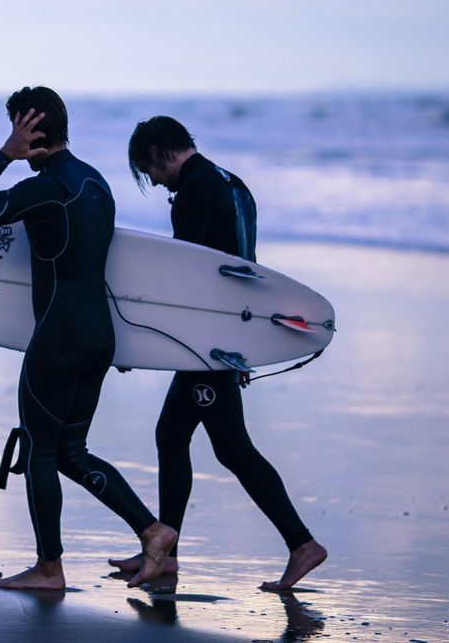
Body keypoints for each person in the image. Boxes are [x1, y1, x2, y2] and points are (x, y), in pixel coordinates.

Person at [0, 87, 177, 591]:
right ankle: (153, 530)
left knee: (41, 452)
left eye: (16, 128)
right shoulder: (96, 183)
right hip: (99, 334)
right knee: (72, 451)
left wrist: (4, 157)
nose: (11, 137)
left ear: (29, 131)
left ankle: (49, 569)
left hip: (58, 336)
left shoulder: (47, 186)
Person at [107, 116, 327, 591]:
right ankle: (165, 553)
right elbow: (244, 266)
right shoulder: (233, 184)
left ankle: (301, 543)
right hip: (225, 336)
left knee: (232, 448)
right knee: (171, 435)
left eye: (148, 170)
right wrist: (243, 343)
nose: (154, 181)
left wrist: (137, 342)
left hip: (205, 342)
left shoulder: (195, 191)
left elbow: (183, 280)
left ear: (159, 153)